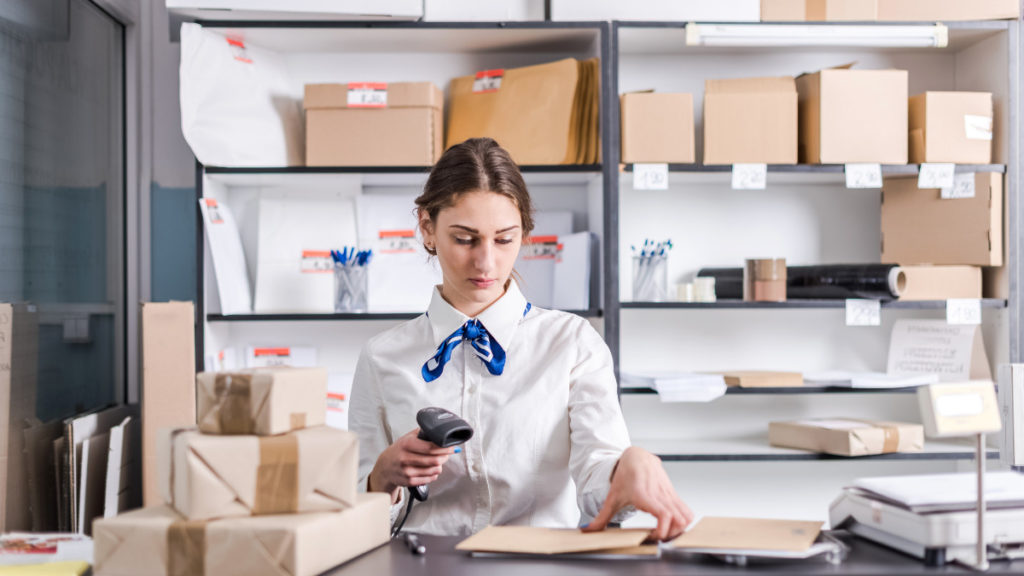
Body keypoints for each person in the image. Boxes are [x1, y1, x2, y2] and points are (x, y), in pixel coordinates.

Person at [349, 137, 693, 540]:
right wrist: (380, 479)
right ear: (428, 228)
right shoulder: (382, 356)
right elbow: (350, 515)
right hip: (418, 562)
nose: (486, 262)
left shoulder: (571, 343)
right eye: (464, 239)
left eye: (504, 239)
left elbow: (597, 480)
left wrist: (629, 467)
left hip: (537, 562)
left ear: (524, 232)